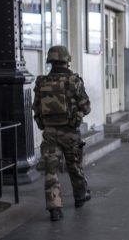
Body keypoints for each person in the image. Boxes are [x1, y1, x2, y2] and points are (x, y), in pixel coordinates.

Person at [32, 45, 92, 221]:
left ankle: (54, 208)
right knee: (74, 165)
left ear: (50, 61)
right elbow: (86, 107)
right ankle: (80, 196)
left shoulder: (42, 82)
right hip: (70, 132)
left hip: (50, 133)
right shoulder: (74, 81)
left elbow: (36, 107)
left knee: (51, 170)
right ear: (67, 60)